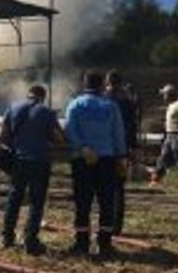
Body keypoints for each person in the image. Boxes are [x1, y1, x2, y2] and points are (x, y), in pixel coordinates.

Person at [64, 70, 127, 257]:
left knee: (82, 201)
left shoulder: (75, 104)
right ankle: (104, 244)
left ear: (85, 84)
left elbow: (69, 129)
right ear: (101, 85)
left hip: (82, 160)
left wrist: (82, 148)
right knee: (106, 202)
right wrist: (121, 157)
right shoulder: (111, 106)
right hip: (107, 160)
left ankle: (82, 244)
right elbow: (118, 133)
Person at [0, 85, 64, 255]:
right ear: (43, 97)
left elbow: (2, 131)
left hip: (18, 161)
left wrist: (13, 146)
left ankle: (6, 237)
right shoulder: (47, 112)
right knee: (36, 201)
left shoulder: (13, 107)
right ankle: (30, 241)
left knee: (14, 198)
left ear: (28, 94)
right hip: (39, 162)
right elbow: (59, 139)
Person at [105, 70, 138, 236]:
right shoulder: (128, 102)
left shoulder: (102, 100)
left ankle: (105, 225)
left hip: (103, 149)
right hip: (122, 150)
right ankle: (116, 227)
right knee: (118, 188)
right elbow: (133, 127)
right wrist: (132, 148)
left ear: (107, 82)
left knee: (103, 188)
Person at [150, 83, 178, 187]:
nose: (163, 97)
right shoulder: (170, 106)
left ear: (170, 95)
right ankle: (156, 179)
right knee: (163, 157)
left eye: (165, 94)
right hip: (169, 135)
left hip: (177, 135)